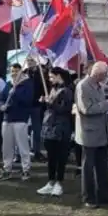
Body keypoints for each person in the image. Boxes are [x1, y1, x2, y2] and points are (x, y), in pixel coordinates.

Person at [75, 61, 108, 207]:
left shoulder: (99, 85)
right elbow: (86, 109)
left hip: (100, 132)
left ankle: (104, 194)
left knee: (102, 165)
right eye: (105, 75)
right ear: (98, 74)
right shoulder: (83, 86)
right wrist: (107, 104)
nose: (106, 78)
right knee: (88, 167)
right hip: (89, 133)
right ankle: (88, 197)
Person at [38, 67, 74, 197]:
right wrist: (45, 102)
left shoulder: (67, 91)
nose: (50, 79)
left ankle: (59, 182)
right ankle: (50, 181)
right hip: (49, 126)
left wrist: (51, 103)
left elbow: (65, 109)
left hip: (61, 128)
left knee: (60, 157)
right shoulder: (54, 89)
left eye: (52, 77)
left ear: (59, 76)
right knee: (51, 157)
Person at [0, 64, 35, 181]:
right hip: (7, 118)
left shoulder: (27, 84)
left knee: (23, 145)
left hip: (20, 119)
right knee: (7, 146)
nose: (13, 73)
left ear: (21, 72)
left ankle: (26, 169)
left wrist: (15, 93)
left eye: (16, 71)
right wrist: (1, 105)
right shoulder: (9, 84)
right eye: (12, 71)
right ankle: (7, 168)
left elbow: (28, 100)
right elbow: (1, 98)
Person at [25, 56, 49, 163]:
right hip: (24, 105)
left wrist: (44, 96)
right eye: (28, 60)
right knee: (23, 129)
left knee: (36, 129)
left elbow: (47, 87)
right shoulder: (24, 73)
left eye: (32, 60)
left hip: (36, 105)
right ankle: (20, 153)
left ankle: (37, 151)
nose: (30, 62)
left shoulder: (42, 74)